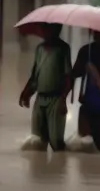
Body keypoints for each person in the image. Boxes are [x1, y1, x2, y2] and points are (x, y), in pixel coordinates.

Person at [18, 23, 73, 151]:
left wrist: (63, 100)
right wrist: (26, 92)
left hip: (56, 99)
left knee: (56, 142)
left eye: (48, 29)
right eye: (44, 29)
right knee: (36, 141)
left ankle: (60, 167)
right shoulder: (39, 49)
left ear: (56, 30)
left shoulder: (63, 49)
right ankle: (39, 169)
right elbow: (35, 75)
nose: (44, 32)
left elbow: (68, 77)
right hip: (40, 98)